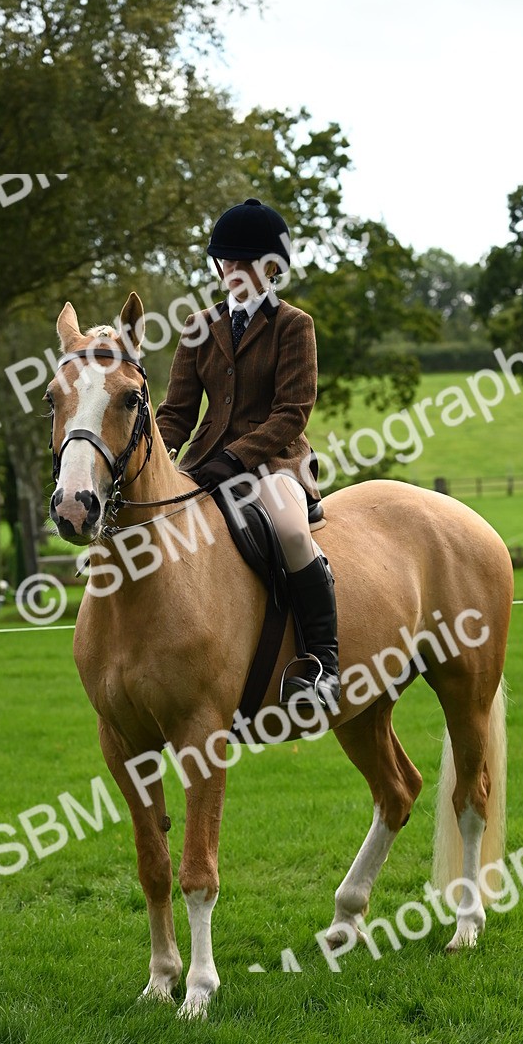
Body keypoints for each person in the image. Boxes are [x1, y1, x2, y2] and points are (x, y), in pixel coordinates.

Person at [155, 197, 340, 710]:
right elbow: (176, 412)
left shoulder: (293, 325)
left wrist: (236, 457)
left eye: (246, 262)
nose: (233, 270)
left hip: (275, 462)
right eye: (227, 261)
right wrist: (157, 457)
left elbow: (292, 412)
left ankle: (323, 663)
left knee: (289, 529)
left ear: (271, 268)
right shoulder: (198, 326)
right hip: (205, 463)